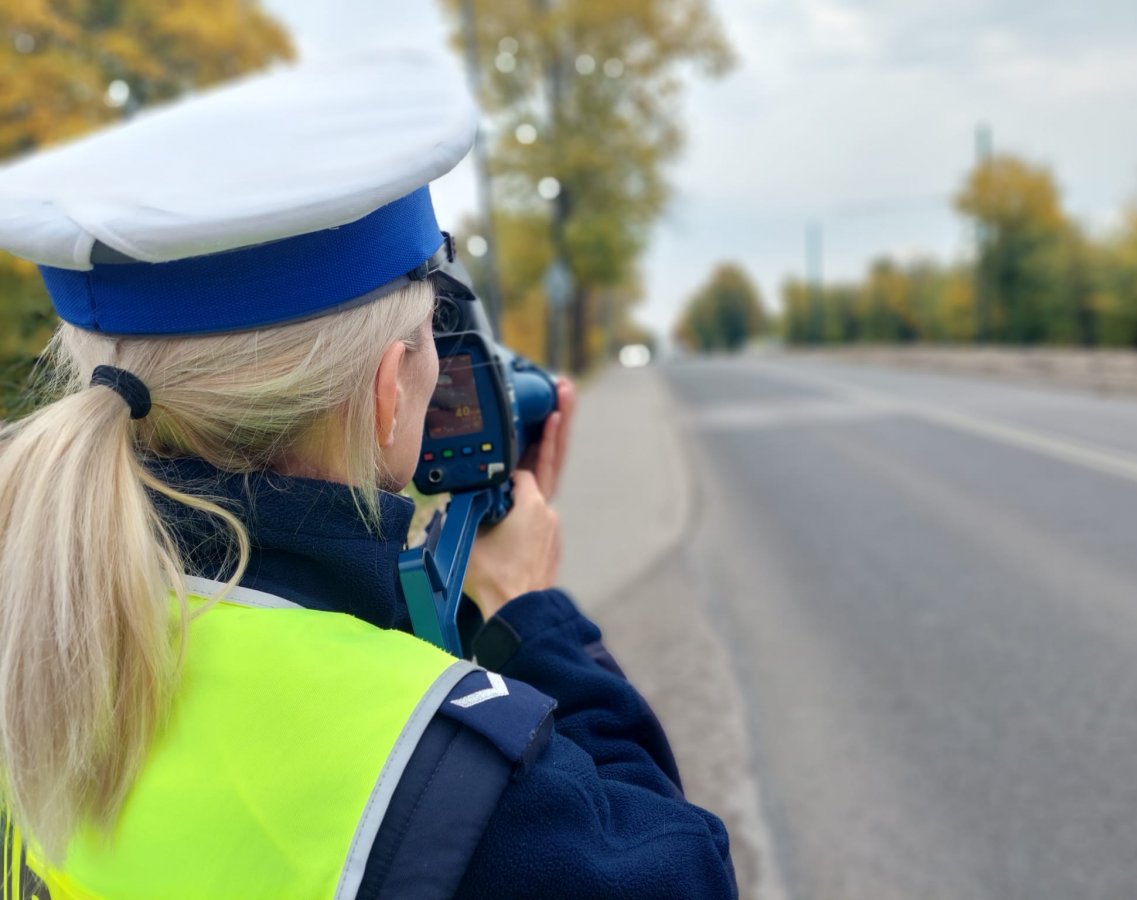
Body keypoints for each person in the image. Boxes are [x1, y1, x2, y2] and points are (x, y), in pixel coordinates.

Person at [0, 47, 737, 899]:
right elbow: (682, 872)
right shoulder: (447, 782)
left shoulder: (36, 609)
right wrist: (531, 619)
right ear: (390, 392)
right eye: (433, 342)